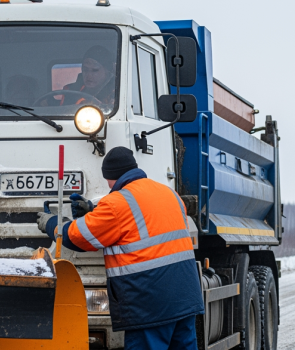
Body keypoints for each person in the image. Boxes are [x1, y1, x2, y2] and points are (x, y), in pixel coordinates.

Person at [37, 147, 204, 350]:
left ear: (110, 177)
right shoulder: (169, 193)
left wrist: (52, 223)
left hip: (149, 303)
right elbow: (143, 221)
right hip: (184, 297)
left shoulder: (116, 204)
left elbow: (76, 237)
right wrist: (94, 212)